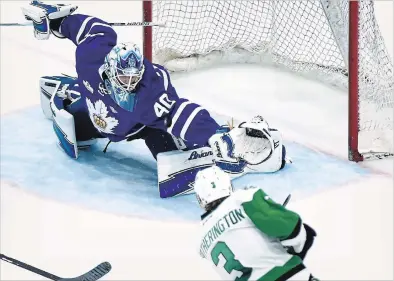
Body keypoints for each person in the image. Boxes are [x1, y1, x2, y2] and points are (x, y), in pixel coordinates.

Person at [22, 1, 289, 197]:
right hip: (96, 116)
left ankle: (227, 135)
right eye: (124, 79)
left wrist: (212, 134)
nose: (130, 84)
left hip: (139, 126)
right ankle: (71, 90)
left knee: (170, 160)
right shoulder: (92, 57)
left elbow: (178, 113)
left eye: (133, 78)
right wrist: (57, 21)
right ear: (110, 71)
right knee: (70, 121)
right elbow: (94, 30)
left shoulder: (149, 92)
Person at [194, 166, 318, 281]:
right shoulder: (243, 199)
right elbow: (288, 227)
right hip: (285, 275)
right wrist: (299, 243)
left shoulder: (201, 237)